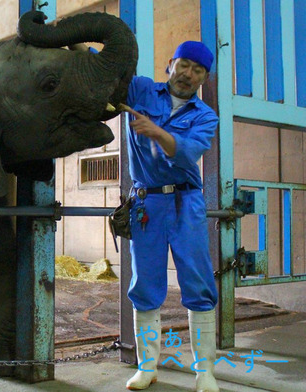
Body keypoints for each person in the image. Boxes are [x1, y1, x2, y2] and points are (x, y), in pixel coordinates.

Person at [71, 40, 219, 392]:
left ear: (203, 78)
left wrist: (157, 132)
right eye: (184, 64)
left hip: (186, 204)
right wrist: (75, 43)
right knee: (144, 284)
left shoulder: (205, 116)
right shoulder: (139, 89)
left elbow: (187, 154)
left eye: (198, 70)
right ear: (170, 64)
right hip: (145, 205)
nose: (188, 74)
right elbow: (105, 67)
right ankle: (147, 366)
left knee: (198, 283)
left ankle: (205, 372)